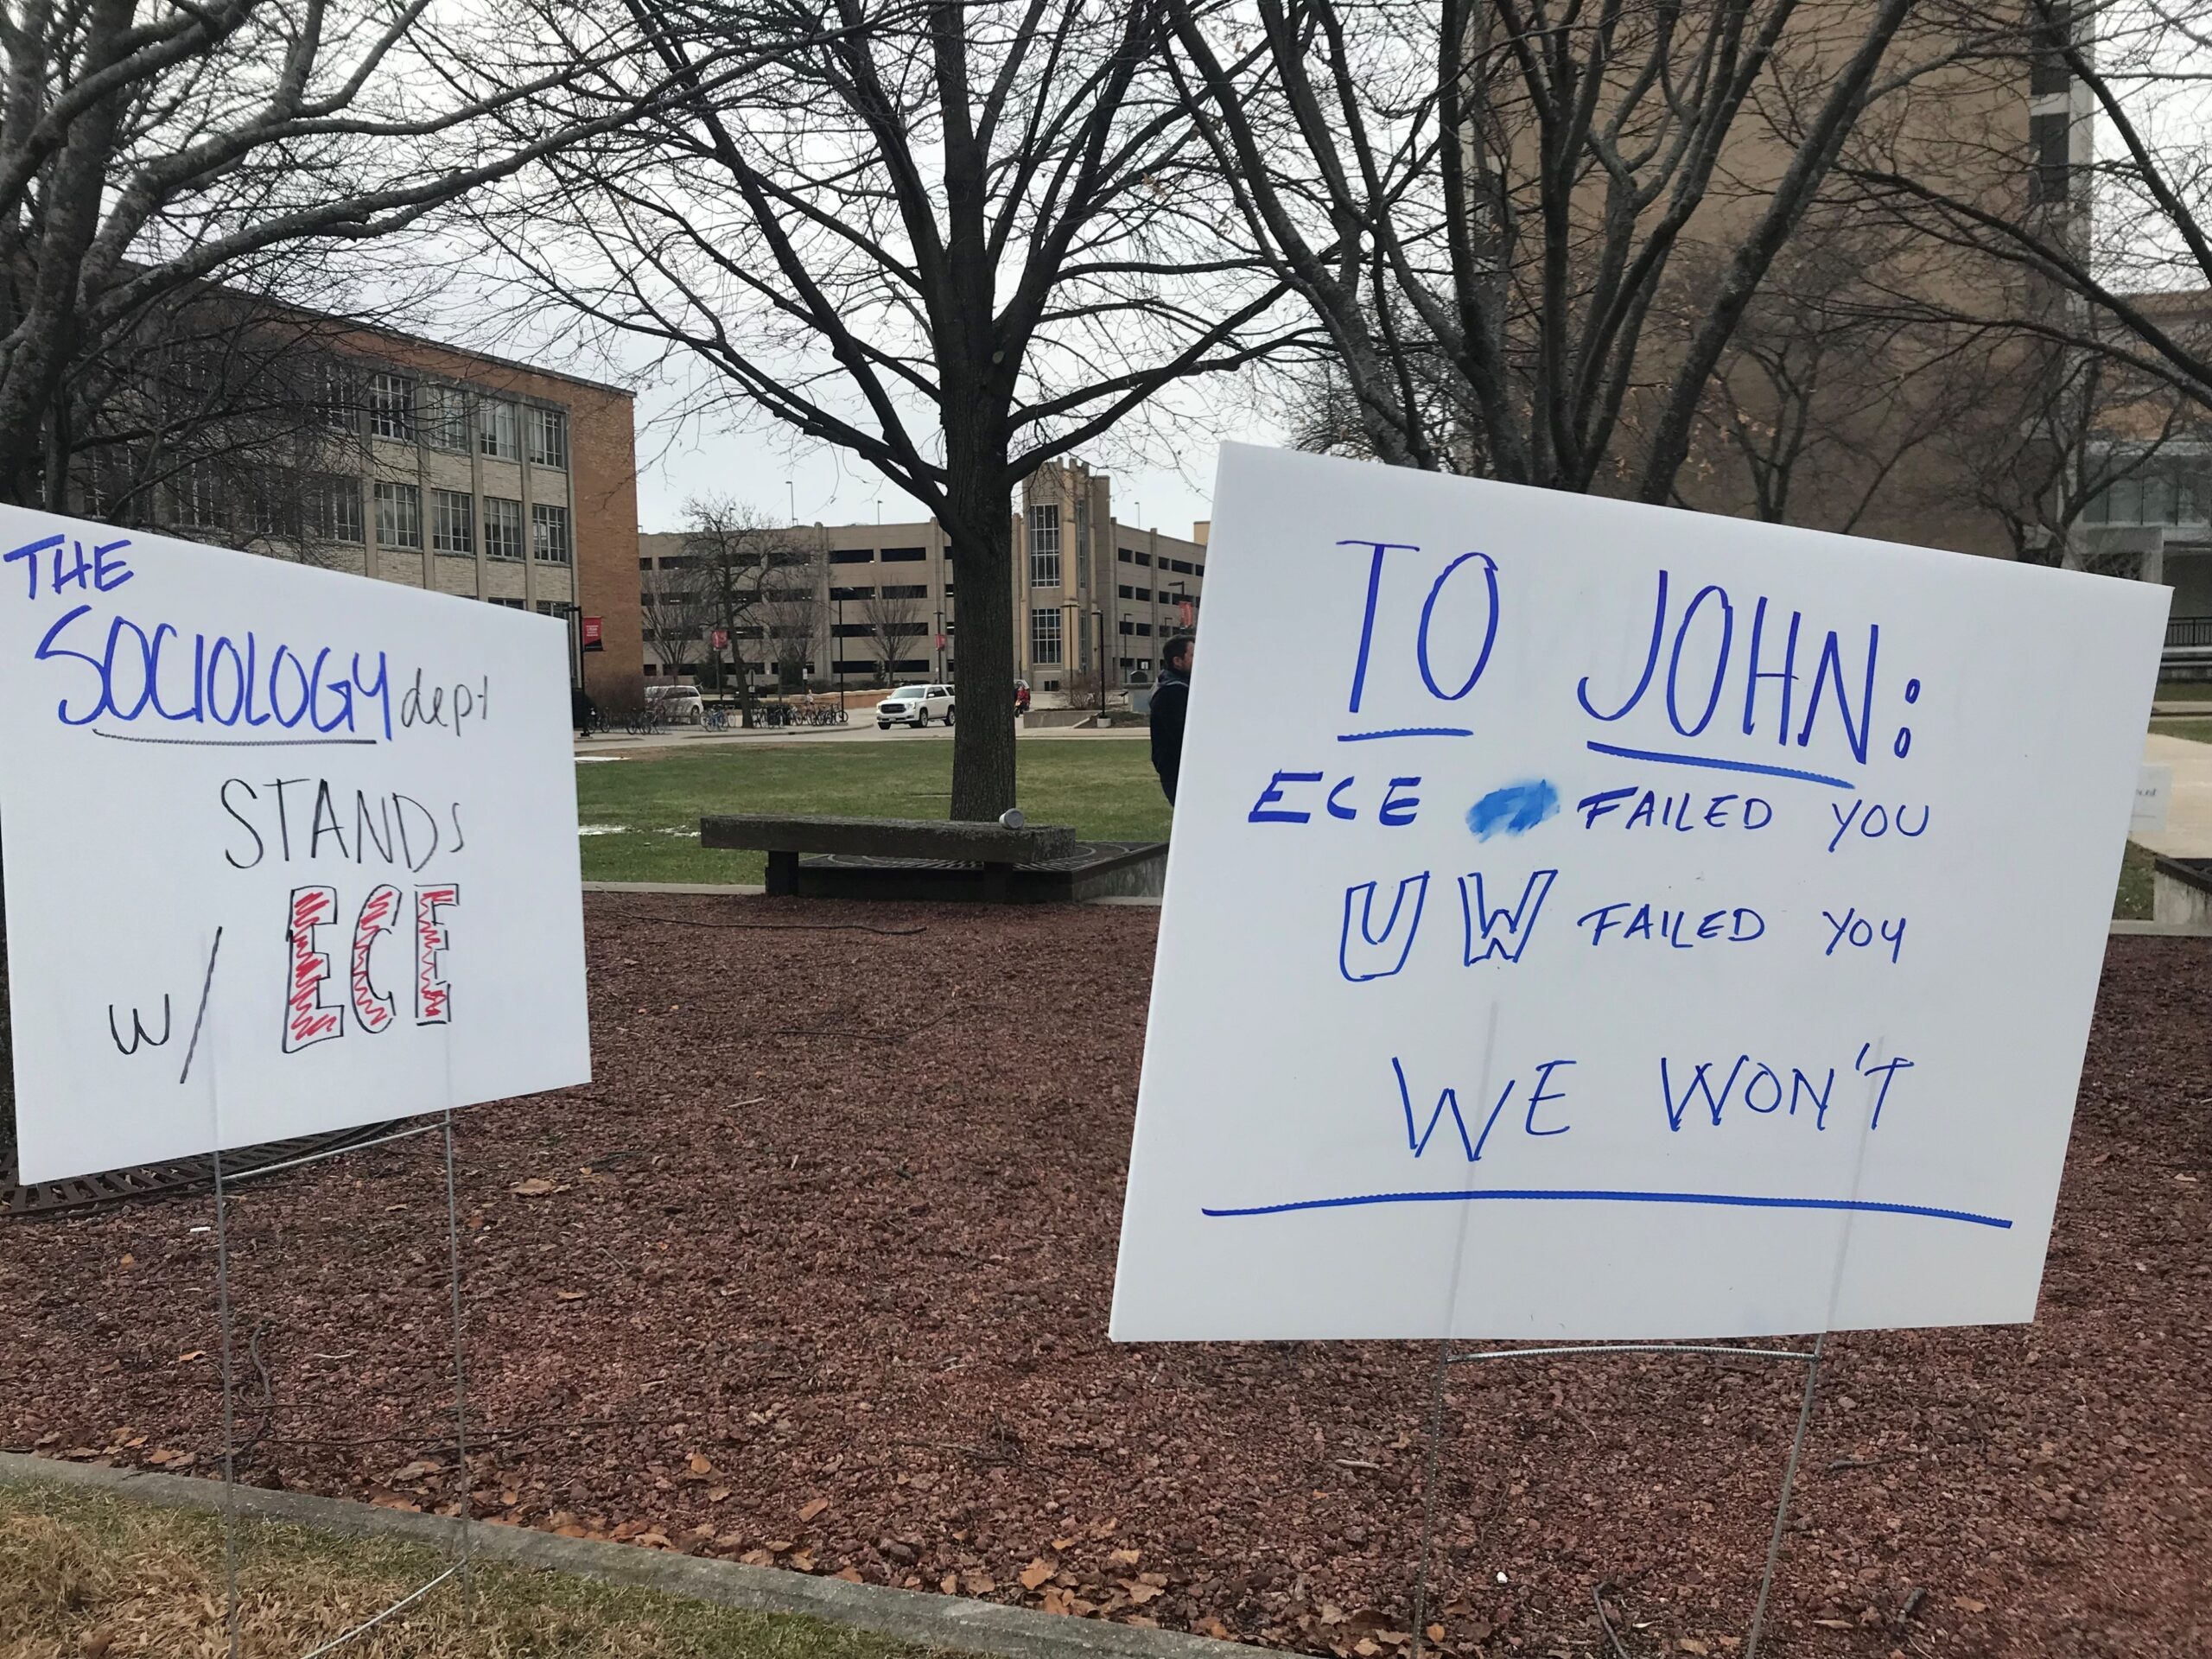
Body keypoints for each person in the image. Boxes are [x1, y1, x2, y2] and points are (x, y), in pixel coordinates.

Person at [1149, 634, 1193, 804]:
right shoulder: (1172, 692)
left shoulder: (1173, 686)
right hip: (1178, 771)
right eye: (1193, 655)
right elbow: (1182, 735)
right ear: (1177, 661)